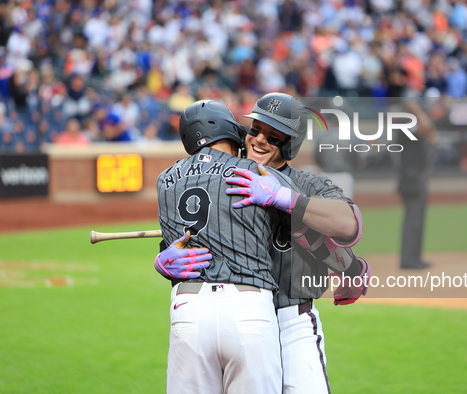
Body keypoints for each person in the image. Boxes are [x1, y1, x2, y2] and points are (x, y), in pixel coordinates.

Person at [156, 93, 370, 393]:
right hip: (245, 316)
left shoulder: (308, 184)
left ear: (292, 144)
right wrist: (163, 260)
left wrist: (287, 199)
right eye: (255, 130)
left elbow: (348, 223)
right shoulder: (226, 176)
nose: (259, 140)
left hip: (291, 320)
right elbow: (184, 237)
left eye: (274, 137)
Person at [156, 99, 304, 394]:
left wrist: (160, 259)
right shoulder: (256, 172)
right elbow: (311, 220)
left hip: (188, 307)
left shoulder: (164, 181)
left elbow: (173, 244)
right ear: (231, 131)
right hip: (249, 305)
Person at [396, 100, 436, 269]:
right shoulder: (405, 124)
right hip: (411, 178)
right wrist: (416, 109)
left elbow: (430, 130)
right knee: (413, 219)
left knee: (417, 219)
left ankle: (414, 257)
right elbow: (426, 127)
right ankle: (409, 260)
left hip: (414, 177)